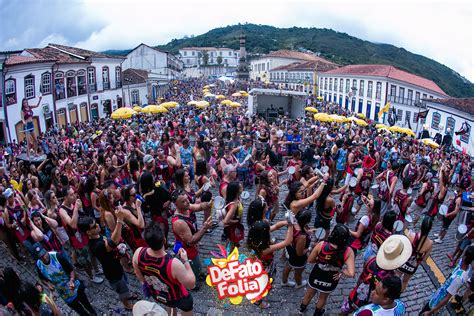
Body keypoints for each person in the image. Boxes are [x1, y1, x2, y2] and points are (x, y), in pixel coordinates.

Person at [78, 206, 135, 310]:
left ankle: (128, 295)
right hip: (113, 273)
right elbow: (114, 242)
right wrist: (119, 220)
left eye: (96, 223)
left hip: (117, 267)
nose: (97, 226)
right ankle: (126, 304)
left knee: (124, 283)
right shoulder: (96, 245)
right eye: (94, 226)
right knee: (121, 290)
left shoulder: (99, 236)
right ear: (88, 232)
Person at [133, 222, 195, 315]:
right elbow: (191, 284)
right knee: (186, 308)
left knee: (169, 305)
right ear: (164, 240)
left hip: (158, 293)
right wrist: (185, 261)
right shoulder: (173, 263)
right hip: (178, 297)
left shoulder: (138, 253)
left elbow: (139, 275)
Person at [340, 234, 412, 314]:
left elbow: (363, 275)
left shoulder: (371, 259)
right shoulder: (391, 278)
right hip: (370, 303)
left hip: (357, 294)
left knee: (345, 310)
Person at [300, 224, 355, 315]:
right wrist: (341, 272)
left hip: (317, 274)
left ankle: (302, 309)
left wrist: (319, 260)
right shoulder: (348, 251)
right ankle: (317, 313)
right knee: (323, 297)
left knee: (309, 293)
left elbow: (310, 260)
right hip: (331, 278)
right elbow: (351, 273)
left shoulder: (322, 245)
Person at [58, 186, 103, 284]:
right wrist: (76, 209)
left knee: (92, 254)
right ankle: (91, 276)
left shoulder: (73, 203)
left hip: (85, 234)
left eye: (74, 193)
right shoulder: (62, 210)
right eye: (71, 194)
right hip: (77, 240)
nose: (74, 196)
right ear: (65, 197)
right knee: (85, 259)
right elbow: (72, 224)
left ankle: (97, 270)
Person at [35, 246, 97, 315]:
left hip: (74, 287)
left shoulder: (57, 257)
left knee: (86, 303)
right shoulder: (39, 264)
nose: (44, 258)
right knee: (79, 310)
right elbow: (42, 278)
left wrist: (71, 280)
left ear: (46, 251)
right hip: (64, 293)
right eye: (41, 257)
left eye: (44, 254)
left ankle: (93, 313)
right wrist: (48, 284)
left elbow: (71, 270)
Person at [247, 220, 294, 309]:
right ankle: (258, 301)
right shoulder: (265, 249)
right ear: (264, 234)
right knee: (262, 284)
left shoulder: (255, 238)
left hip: (263, 265)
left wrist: (287, 221)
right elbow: (286, 242)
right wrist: (291, 225)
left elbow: (276, 226)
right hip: (264, 269)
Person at [171, 190, 213, 284]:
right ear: (176, 204)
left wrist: (208, 204)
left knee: (197, 264)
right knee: (194, 264)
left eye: (187, 199)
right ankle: (195, 283)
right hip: (187, 250)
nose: (187, 202)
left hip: (192, 245)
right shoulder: (179, 222)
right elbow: (190, 241)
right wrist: (204, 228)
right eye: (183, 201)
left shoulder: (187, 207)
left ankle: (198, 273)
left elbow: (199, 206)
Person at [420, 245, 474, 315]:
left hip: (437, 302)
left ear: (465, 257)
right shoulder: (466, 266)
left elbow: (446, 298)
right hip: (438, 294)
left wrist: (430, 312)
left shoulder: (458, 278)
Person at [397, 216, 433, 291]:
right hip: (412, 266)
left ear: (421, 225)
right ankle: (398, 294)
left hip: (403, 261)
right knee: (405, 281)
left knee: (396, 277)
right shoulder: (430, 243)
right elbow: (424, 258)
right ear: (430, 229)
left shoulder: (411, 235)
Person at [282, 210, 312, 288]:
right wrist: (310, 248)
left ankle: (284, 281)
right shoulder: (302, 237)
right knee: (298, 271)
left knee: (288, 265)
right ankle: (299, 284)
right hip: (297, 257)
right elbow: (300, 253)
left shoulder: (294, 223)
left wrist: (308, 231)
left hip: (290, 248)